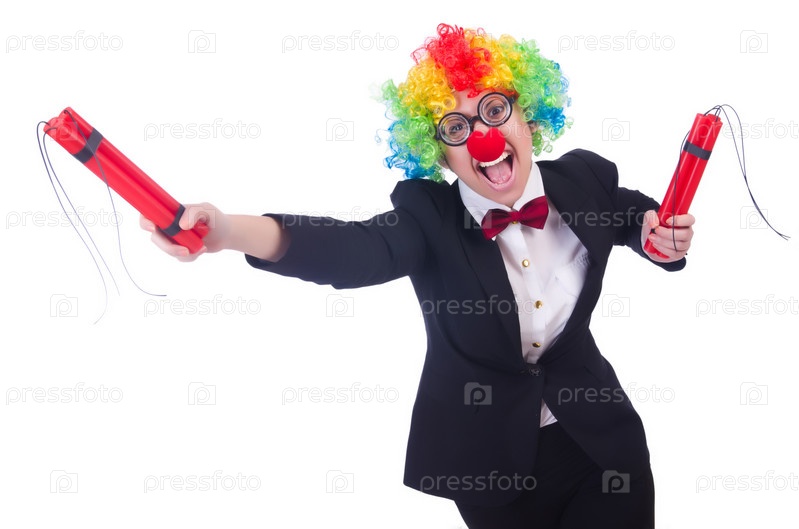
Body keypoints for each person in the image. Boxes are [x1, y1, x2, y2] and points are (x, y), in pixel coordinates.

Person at [141, 23, 694, 529]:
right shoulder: (428, 219)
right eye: (456, 126)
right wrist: (228, 231)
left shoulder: (583, 179)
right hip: (490, 468)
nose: (481, 136)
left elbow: (631, 216)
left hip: (600, 446)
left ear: (528, 116)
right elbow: (351, 249)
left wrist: (657, 237)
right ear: (440, 153)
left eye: (494, 109)